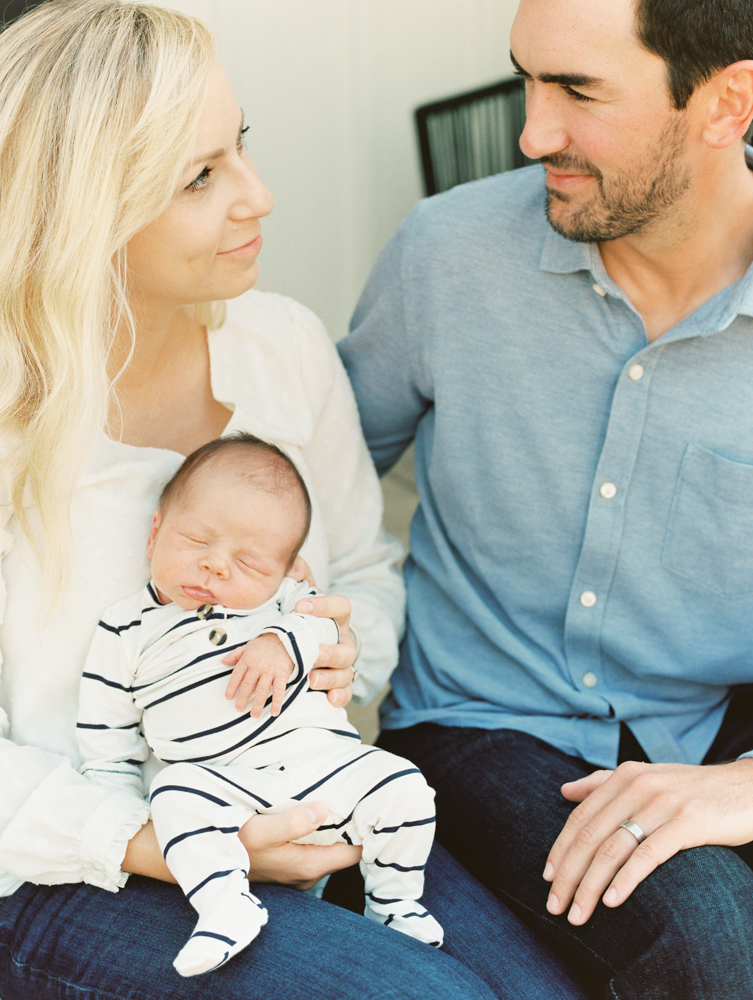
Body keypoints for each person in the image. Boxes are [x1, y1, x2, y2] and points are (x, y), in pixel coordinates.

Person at [0, 1, 593, 998]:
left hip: (294, 801)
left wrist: (344, 651)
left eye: (241, 148)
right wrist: (164, 839)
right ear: (81, 210)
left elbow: (365, 565)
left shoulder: (282, 344)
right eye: (200, 177)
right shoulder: (20, 426)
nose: (260, 196)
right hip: (69, 865)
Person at [338, 0, 753, 996]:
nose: (531, 132)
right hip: (481, 714)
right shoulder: (445, 252)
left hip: (710, 717)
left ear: (726, 102)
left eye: (578, 90)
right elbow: (314, 485)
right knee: (709, 940)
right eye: (527, 77)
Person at [78, 433, 442, 977]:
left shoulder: (285, 604)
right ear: (154, 534)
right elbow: (107, 745)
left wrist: (284, 638)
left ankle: (394, 904)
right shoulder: (125, 628)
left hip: (321, 765)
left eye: (248, 563)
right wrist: (116, 808)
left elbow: (326, 624)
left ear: (286, 570)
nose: (216, 567)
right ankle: (225, 906)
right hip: (224, 784)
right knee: (174, 795)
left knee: (404, 786)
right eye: (196, 540)